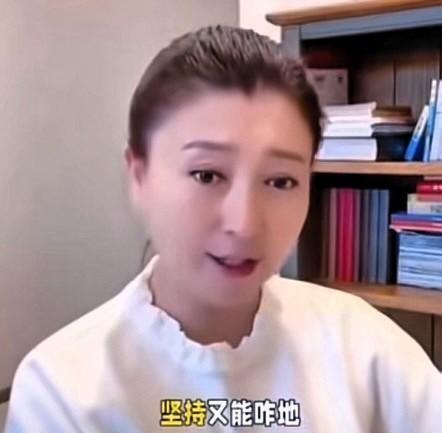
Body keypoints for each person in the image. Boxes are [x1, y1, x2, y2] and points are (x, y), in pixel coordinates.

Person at [4, 25, 442, 433]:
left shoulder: (364, 349)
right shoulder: (63, 389)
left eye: (280, 181)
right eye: (207, 175)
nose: (244, 224)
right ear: (139, 175)